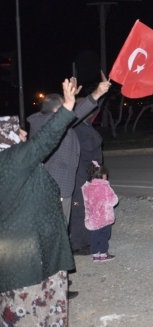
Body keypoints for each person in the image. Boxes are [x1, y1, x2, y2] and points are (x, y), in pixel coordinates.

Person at [0, 79, 79, 325]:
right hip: (29, 252)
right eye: (18, 130)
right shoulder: (13, 159)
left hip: (21, 248)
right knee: (32, 304)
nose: (24, 132)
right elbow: (45, 140)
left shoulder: (11, 161)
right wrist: (68, 107)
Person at [27, 74, 110, 224]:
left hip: (60, 187)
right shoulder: (46, 123)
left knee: (59, 231)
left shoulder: (51, 124)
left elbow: (77, 115)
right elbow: (76, 115)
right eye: (67, 104)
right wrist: (97, 93)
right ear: (57, 109)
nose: (71, 107)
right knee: (56, 232)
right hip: (54, 188)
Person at [70, 101, 104, 255]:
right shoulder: (74, 127)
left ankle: (87, 239)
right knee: (79, 208)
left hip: (91, 173)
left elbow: (97, 104)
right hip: (79, 173)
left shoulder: (86, 124)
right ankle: (77, 244)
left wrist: (106, 86)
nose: (93, 110)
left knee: (90, 207)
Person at [82, 161, 118, 262]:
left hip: (93, 219)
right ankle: (103, 254)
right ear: (103, 175)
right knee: (104, 236)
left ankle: (95, 255)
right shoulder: (105, 187)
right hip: (104, 218)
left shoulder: (86, 187)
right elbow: (113, 201)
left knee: (94, 237)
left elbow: (86, 201)